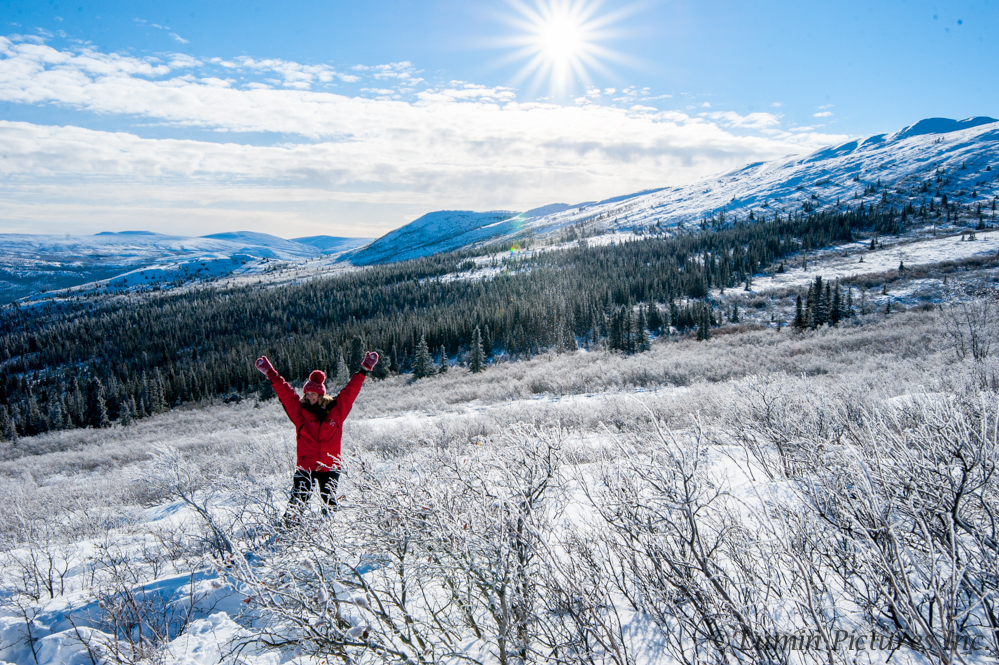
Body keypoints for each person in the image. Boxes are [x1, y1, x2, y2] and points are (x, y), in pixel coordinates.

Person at [255, 352, 378, 525]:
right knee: (297, 503)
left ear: (321, 394)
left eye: (313, 393)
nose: (309, 396)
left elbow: (351, 391)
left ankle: (329, 532)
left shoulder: (337, 410)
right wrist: (271, 373)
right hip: (306, 466)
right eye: (307, 393)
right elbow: (286, 393)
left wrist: (364, 370)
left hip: (330, 466)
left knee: (329, 503)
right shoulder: (299, 412)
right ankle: (287, 530)